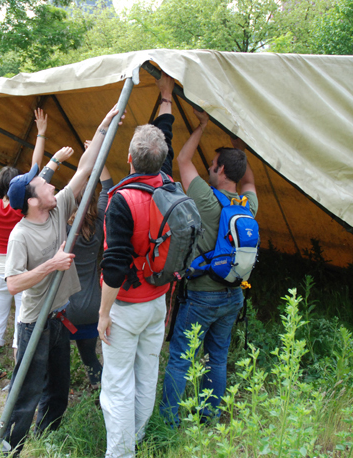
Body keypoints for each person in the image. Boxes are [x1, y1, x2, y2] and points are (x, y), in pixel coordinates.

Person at [1, 104, 123, 454]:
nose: (51, 185)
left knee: (58, 389)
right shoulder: (21, 235)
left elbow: (86, 167)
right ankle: (11, 445)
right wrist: (51, 265)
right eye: (44, 185)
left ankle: (45, 436)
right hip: (33, 323)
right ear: (31, 201)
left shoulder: (58, 207)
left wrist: (104, 121)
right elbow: (12, 284)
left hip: (59, 317)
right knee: (27, 390)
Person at [159, 109, 257, 426]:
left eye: (213, 166)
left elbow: (183, 161)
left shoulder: (207, 199)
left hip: (202, 294)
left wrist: (201, 126)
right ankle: (210, 417)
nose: (208, 169)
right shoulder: (248, 206)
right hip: (234, 295)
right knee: (217, 357)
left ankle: (168, 423)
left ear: (221, 170)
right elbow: (250, 179)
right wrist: (239, 149)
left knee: (180, 358)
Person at [98, 73, 175, 458]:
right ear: (161, 161)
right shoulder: (170, 188)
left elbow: (114, 265)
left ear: (129, 159)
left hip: (127, 305)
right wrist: (166, 99)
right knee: (147, 374)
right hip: (159, 299)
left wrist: (103, 314)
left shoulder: (122, 200)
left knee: (117, 382)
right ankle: (139, 438)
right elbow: (168, 140)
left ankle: (121, 453)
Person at [0, 111, 72, 387]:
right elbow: (38, 168)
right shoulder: (23, 213)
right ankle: (18, 379)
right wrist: (41, 132)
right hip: (22, 270)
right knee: (21, 325)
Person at [65, 142, 112, 390]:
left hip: (66, 308)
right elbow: (109, 187)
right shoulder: (100, 220)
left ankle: (56, 392)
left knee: (57, 359)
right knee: (89, 357)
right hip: (93, 305)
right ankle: (101, 389)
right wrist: (99, 151)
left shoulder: (61, 226)